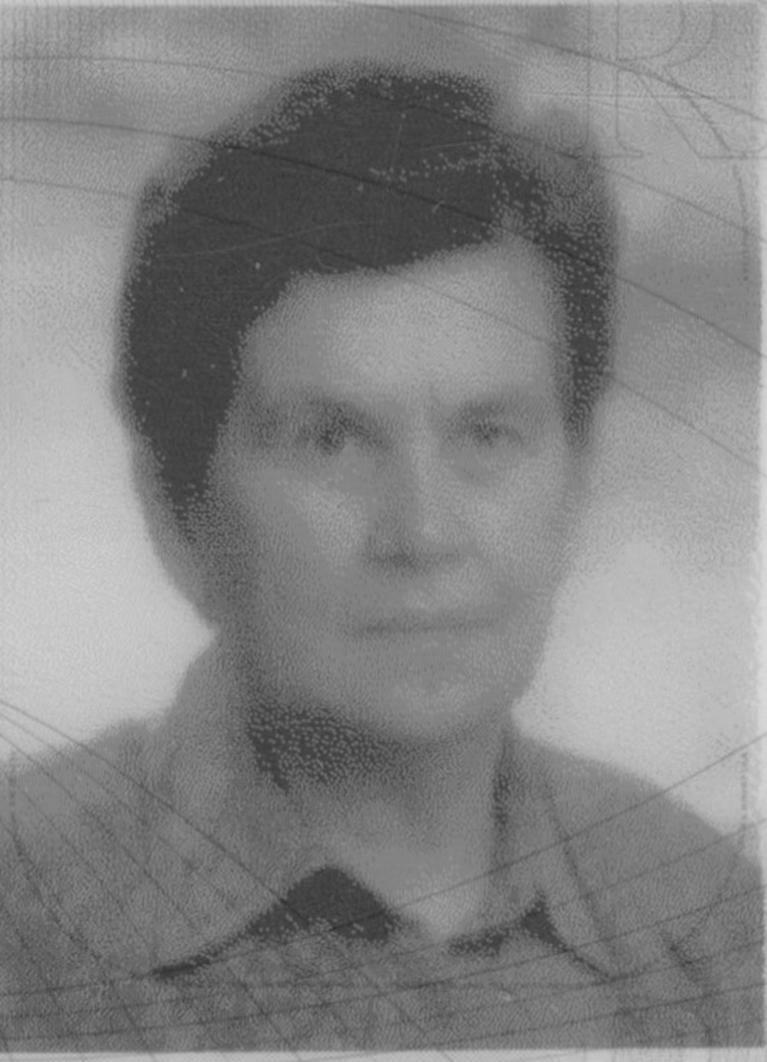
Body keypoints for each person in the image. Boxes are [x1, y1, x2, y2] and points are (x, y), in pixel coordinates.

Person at [0, 61, 761, 1052]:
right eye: (332, 440)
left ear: (573, 487)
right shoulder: (23, 918)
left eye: (487, 435)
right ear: (176, 513)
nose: (423, 533)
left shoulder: (716, 931)